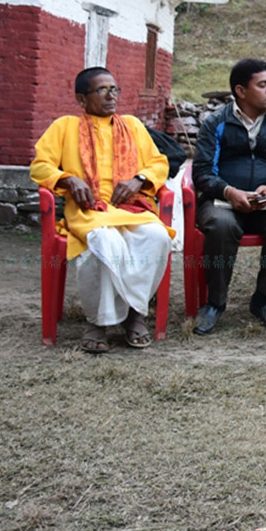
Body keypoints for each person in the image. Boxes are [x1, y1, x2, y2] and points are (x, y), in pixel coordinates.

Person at [30, 67, 174, 353]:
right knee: (104, 241)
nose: (111, 96)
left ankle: (135, 313)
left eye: (114, 89)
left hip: (132, 208)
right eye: (102, 90)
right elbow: (40, 166)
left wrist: (139, 179)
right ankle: (99, 322)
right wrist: (67, 179)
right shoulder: (65, 127)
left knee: (158, 237)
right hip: (90, 211)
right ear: (81, 99)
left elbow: (159, 163)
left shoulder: (132, 125)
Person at [191, 58, 266, 335]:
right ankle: (215, 303)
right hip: (222, 202)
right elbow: (202, 172)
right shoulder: (216, 123)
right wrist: (229, 191)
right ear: (241, 91)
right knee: (221, 225)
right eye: (262, 85)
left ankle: (264, 300)